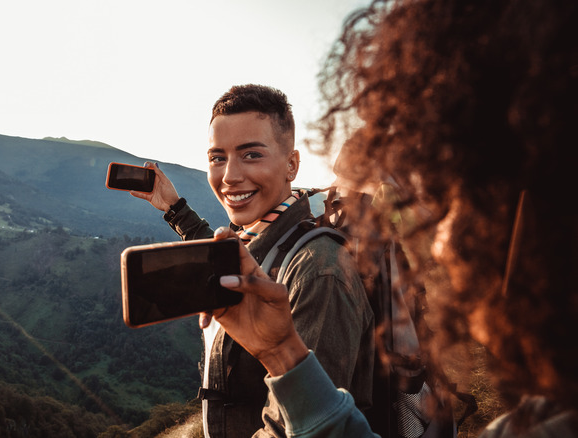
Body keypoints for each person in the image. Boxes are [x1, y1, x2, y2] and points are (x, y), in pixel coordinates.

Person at [202, 0, 578, 436]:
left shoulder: (320, 267)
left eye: (464, 199)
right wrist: (284, 352)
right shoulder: (542, 418)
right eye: (216, 157)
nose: (443, 242)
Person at [131, 84, 375, 437]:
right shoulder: (262, 237)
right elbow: (240, 259)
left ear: (291, 165)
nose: (229, 176)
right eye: (218, 158)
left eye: (251, 155)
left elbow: (302, 426)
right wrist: (175, 209)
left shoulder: (319, 271)